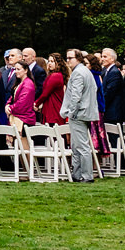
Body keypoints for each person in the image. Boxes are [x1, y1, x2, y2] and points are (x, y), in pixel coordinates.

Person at [62, 48, 100, 182]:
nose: (67, 61)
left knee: (81, 146)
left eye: (70, 58)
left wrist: (71, 112)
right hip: (85, 112)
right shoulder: (85, 71)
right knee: (76, 145)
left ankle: (86, 176)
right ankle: (77, 174)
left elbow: (75, 96)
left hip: (79, 113)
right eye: (67, 58)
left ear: (78, 58)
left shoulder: (78, 72)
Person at [35, 55, 65, 125]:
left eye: (52, 61)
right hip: (52, 108)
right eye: (49, 61)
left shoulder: (55, 76)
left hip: (53, 109)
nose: (49, 63)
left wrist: (36, 103)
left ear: (58, 63)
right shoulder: (55, 75)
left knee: (53, 133)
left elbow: (45, 93)